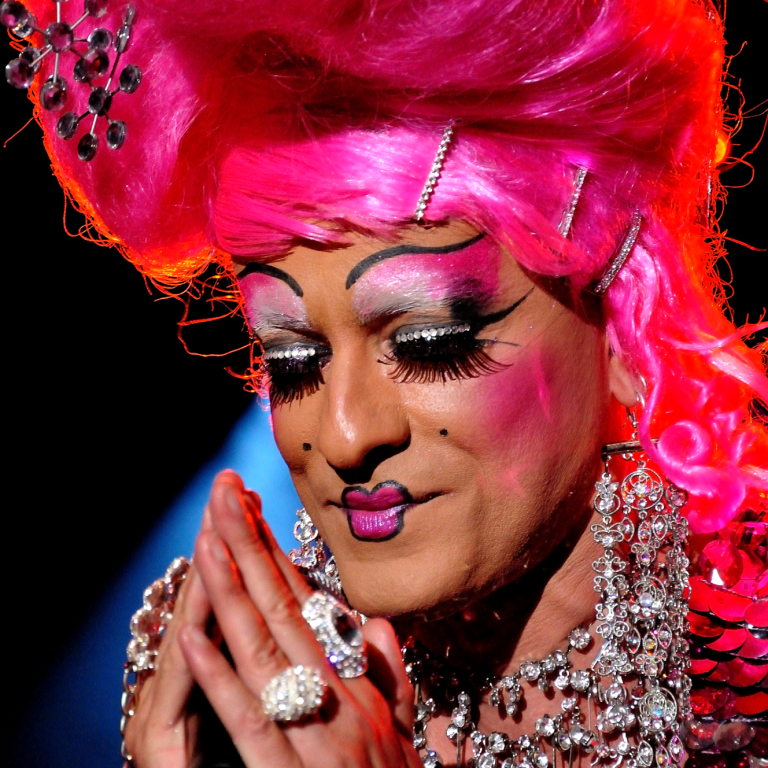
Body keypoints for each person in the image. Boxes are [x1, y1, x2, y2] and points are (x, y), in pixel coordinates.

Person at [3, 0, 766, 767]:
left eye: (428, 345)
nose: (344, 436)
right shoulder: (236, 703)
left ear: (622, 322)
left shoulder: (748, 671)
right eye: (293, 361)